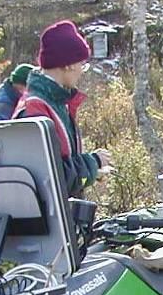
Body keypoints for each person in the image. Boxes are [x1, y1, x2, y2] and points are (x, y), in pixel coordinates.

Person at [13, 21, 112, 198]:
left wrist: (89, 174)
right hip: (48, 224)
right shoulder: (34, 110)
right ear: (68, 65)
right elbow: (49, 180)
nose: (82, 71)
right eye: (82, 64)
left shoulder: (56, 103)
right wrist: (93, 162)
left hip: (62, 220)